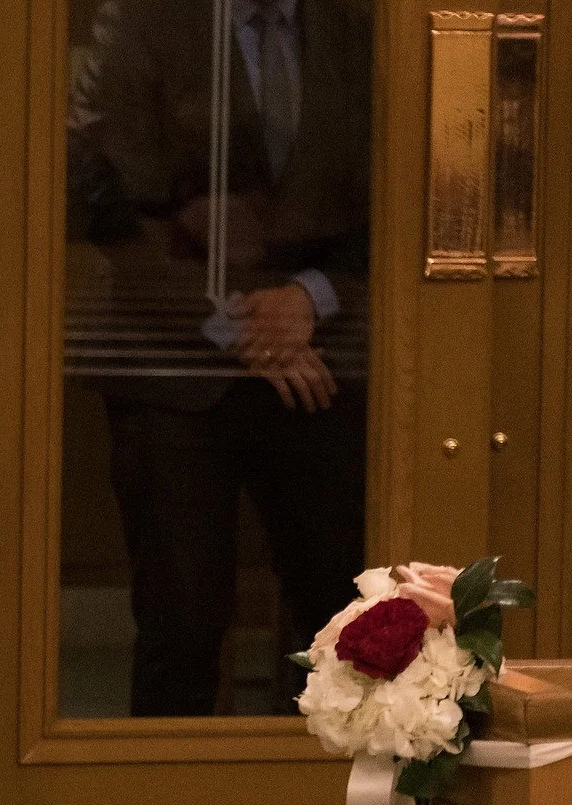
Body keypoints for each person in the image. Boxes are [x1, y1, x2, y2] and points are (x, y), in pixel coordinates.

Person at [73, 0, 371, 715]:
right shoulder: (149, 23)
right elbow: (103, 202)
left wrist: (313, 297)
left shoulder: (358, 28)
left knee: (341, 620)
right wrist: (239, 329)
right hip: (172, 367)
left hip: (323, 367)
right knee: (183, 625)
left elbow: (402, 190)